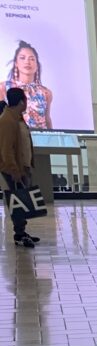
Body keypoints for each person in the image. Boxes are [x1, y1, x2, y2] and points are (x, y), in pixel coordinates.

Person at [0, 88, 39, 248]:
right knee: (17, 202)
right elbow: (6, 149)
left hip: (23, 166)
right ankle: (19, 235)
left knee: (22, 200)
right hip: (13, 169)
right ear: (22, 101)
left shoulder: (17, 118)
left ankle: (22, 231)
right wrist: (14, 170)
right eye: (25, 99)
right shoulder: (7, 120)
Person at [1, 42, 51, 130]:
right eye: (22, 58)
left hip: (40, 141)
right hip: (14, 140)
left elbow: (47, 120)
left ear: (37, 64)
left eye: (32, 59)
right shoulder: (3, 88)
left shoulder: (45, 92)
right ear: (16, 62)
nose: (27, 62)